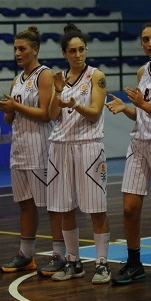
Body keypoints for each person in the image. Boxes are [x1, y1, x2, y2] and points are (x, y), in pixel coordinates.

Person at [105, 23, 151, 286]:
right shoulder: (142, 71)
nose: (150, 43)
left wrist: (140, 104)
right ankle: (134, 262)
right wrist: (127, 108)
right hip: (139, 141)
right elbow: (142, 112)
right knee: (129, 208)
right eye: (145, 39)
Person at [46, 23, 111, 284]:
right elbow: (51, 115)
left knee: (96, 208)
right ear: (64, 53)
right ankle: (73, 261)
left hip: (88, 145)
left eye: (81, 49)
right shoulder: (58, 78)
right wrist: (60, 92)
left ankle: (102, 263)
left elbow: (95, 112)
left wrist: (74, 104)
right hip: (61, 146)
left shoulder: (97, 76)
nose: (77, 54)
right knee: (65, 208)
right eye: (72, 51)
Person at [0, 25, 55, 273]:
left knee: (52, 205)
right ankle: (26, 254)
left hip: (40, 146)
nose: (18, 53)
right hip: (19, 147)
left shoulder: (45, 75)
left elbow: (45, 114)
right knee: (25, 204)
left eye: (22, 49)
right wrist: (8, 110)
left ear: (35, 49)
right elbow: (10, 120)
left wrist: (16, 107)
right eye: (15, 49)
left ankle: (60, 254)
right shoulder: (16, 79)